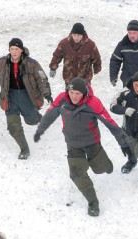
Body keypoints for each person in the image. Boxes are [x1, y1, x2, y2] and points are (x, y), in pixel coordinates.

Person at [34, 77, 132, 217]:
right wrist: (40, 130)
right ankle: (93, 202)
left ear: (84, 93)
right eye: (72, 92)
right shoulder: (62, 99)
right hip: (73, 145)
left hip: (92, 142)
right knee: (76, 174)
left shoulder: (93, 103)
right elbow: (49, 115)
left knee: (100, 169)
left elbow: (110, 123)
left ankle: (107, 166)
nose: (74, 96)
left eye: (78, 93)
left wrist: (124, 143)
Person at [0, 38, 52, 160]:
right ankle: (24, 149)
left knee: (32, 121)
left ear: (21, 50)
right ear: (9, 50)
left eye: (17, 49)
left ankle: (37, 117)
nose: (14, 52)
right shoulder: (1, 63)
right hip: (9, 97)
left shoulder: (32, 63)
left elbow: (42, 78)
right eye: (12, 49)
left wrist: (46, 93)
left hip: (27, 96)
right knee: (13, 126)